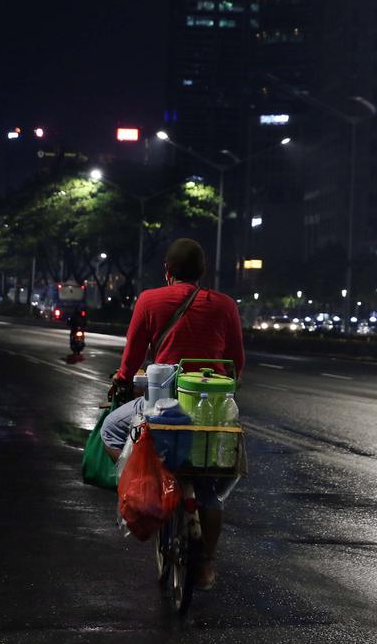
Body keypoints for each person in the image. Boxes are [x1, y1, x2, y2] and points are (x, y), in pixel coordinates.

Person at [101, 238, 244, 590]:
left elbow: (132, 358)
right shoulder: (225, 305)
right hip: (210, 411)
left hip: (161, 406)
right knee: (210, 489)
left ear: (167, 271)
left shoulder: (150, 300)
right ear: (202, 272)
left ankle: (148, 483)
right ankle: (207, 565)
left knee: (110, 430)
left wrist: (121, 382)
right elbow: (236, 363)